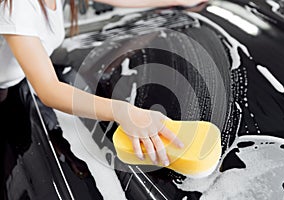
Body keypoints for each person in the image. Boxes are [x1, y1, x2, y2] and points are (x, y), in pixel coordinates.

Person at [0, 0, 207, 167]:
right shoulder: (18, 7)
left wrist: (176, 0)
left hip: (16, 83)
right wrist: (124, 112)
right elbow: (50, 90)